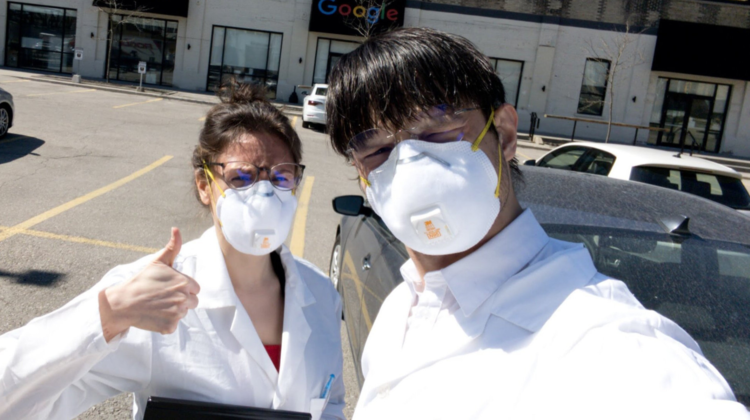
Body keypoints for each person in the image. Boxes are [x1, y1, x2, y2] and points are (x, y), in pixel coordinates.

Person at [325, 28, 749, 419]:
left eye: (438, 132)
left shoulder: (605, 344)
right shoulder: (403, 307)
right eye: (377, 149)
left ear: (505, 135)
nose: (410, 162)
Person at [0, 83, 344, 420]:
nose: (266, 194)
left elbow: (331, 405)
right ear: (203, 185)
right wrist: (110, 315)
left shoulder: (322, 295)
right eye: (242, 177)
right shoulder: (148, 297)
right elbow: (12, 396)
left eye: (282, 177)